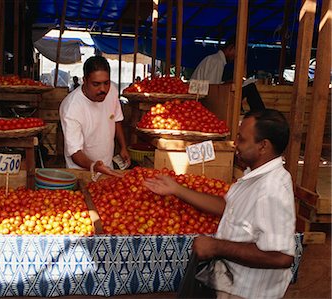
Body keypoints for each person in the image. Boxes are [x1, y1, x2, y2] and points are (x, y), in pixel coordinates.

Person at [144, 109, 295, 298]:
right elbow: (228, 206)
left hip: (248, 291)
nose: (235, 144)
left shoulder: (273, 188)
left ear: (263, 146)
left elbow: (282, 257)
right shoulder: (253, 174)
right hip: (231, 281)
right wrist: (177, 190)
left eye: (242, 139)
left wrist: (217, 247)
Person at [59, 56, 130, 177]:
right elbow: (75, 152)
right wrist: (95, 166)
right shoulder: (71, 108)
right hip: (81, 172)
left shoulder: (112, 91)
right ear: (84, 81)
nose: (103, 89)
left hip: (107, 169)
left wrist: (123, 147)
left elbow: (116, 119)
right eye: (96, 84)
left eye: (106, 83)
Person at [191, 37, 265, 112]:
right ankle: (261, 113)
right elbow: (213, 88)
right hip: (204, 100)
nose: (235, 57)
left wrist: (228, 83)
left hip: (204, 96)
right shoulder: (217, 61)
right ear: (231, 48)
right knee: (250, 87)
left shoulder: (215, 59)